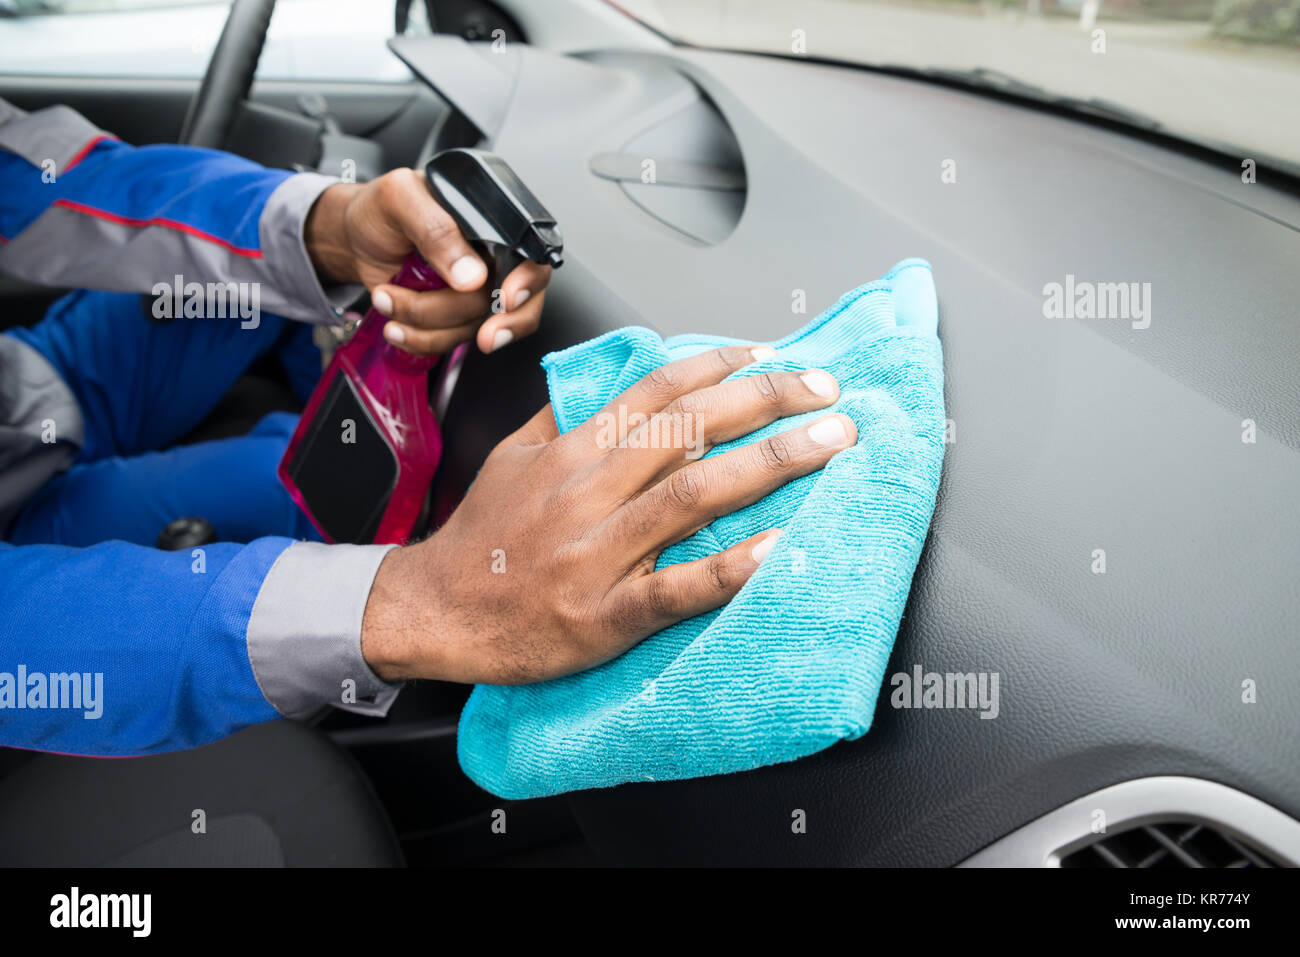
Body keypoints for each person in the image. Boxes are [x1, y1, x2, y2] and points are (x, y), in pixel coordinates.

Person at [0, 98, 857, 756]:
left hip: (33, 383)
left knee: (305, 314)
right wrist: (415, 604)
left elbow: (36, 181)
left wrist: (332, 229)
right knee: (299, 497)